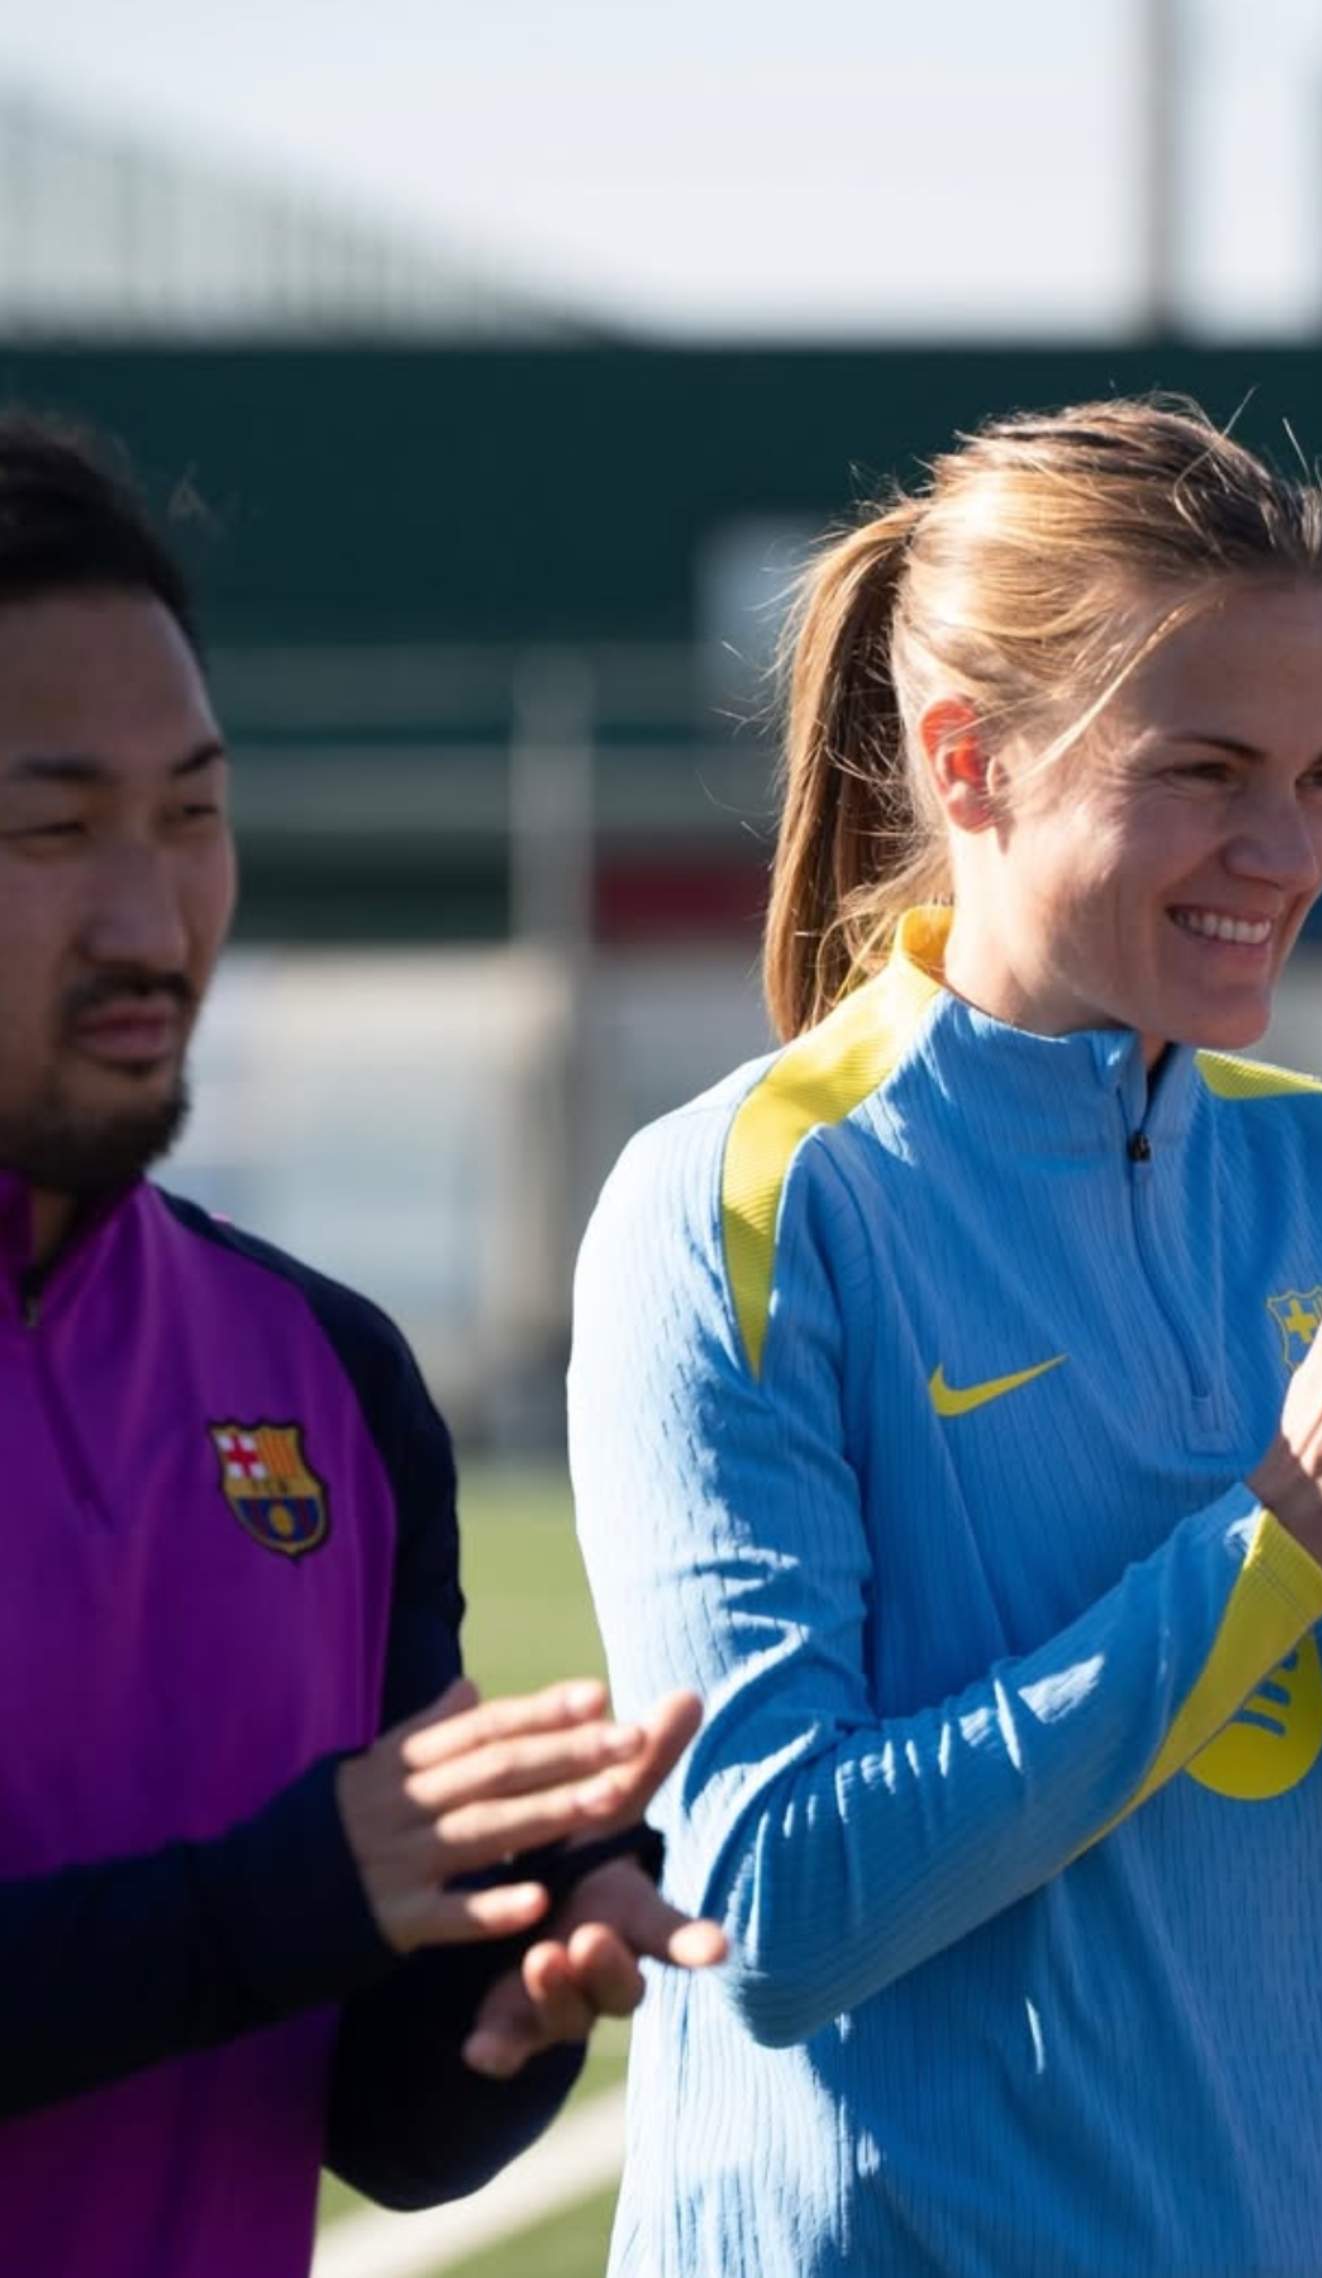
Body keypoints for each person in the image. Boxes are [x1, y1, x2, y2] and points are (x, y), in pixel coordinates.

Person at [568, 396, 1322, 2278]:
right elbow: (776, 1901)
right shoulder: (745, 1201)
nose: (1284, 851)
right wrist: (1284, 1532)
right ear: (970, 760)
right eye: (1207, 768)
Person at [0, 413, 726, 2278]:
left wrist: (510, 1956)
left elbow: (377, 2129)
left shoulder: (321, 1377)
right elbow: (274, 1907)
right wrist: (298, 1890)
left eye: (195, 812)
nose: (152, 917)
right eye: (54, 826)